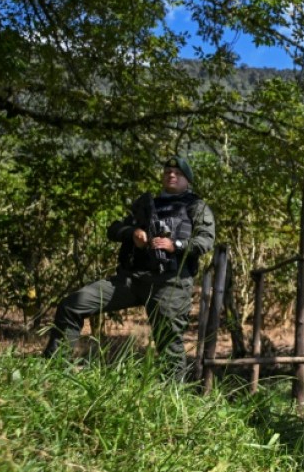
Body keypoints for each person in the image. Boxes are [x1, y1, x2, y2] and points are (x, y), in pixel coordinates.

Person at [43, 156, 215, 378]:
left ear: (188, 181)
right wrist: (132, 234)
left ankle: (172, 400)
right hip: (130, 279)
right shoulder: (147, 205)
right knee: (71, 305)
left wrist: (175, 245)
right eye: (167, 172)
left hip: (169, 282)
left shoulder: (196, 206)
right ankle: (54, 373)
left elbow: (205, 241)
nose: (171, 175)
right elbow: (114, 229)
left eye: (178, 174)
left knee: (169, 342)